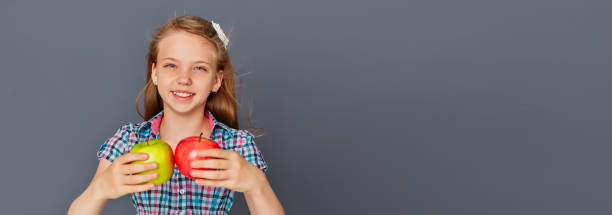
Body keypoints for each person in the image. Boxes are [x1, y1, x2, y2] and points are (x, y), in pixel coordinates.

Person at [68, 15, 285, 215]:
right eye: (171, 65)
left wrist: (257, 184)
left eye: (199, 68)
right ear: (155, 73)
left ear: (217, 81)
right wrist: (100, 189)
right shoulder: (129, 140)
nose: (184, 79)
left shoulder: (237, 145)